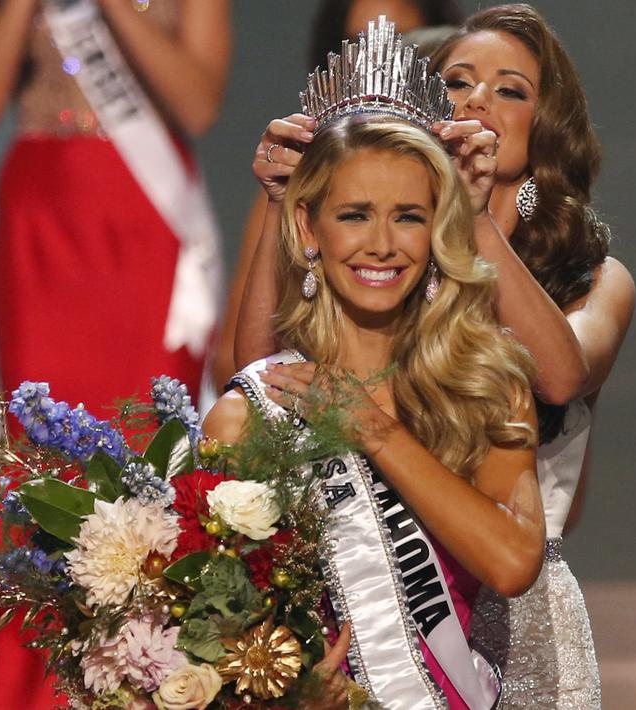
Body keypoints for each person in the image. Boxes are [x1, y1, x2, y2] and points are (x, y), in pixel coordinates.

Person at [234, 5, 635, 708]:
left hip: (515, 610)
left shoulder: (590, 278)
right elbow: (262, 374)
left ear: (547, 127)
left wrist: (472, 217)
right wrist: (278, 207)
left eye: (510, 89)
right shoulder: (384, 266)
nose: (478, 100)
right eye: (456, 83)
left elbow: (561, 375)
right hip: (367, 590)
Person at [0, 2, 231, 707]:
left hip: (142, 215)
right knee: (45, 455)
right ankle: (44, 682)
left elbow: (198, 100)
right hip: (44, 215)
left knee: (142, 449)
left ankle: (157, 672)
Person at [208, 109, 545, 707]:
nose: (383, 245)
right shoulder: (252, 414)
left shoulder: (483, 384)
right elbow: (207, 622)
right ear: (309, 228)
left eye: (408, 217)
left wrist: (374, 431)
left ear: (437, 228)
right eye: (355, 215)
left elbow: (513, 563)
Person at [211, 0, 463, 388]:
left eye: (402, 44)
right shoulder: (293, 190)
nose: (376, 59)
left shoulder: (465, 185)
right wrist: (279, 203)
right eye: (354, 215)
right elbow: (247, 370)